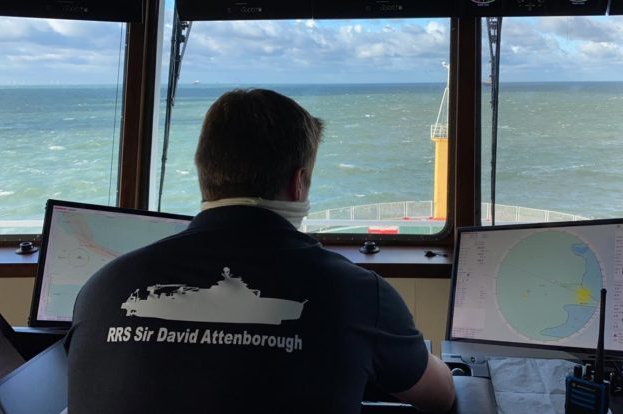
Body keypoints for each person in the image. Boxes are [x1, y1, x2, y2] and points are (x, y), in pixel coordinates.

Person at [65, 88, 456, 413]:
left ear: (204, 174)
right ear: (298, 183)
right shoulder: (356, 292)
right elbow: (441, 396)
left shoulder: (103, 286)